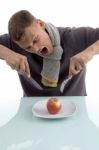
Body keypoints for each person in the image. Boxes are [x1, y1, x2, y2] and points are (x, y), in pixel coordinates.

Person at [0, 10, 99, 96]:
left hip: (76, 106)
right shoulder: (15, 44)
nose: (35, 49)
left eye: (35, 40)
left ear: (41, 24)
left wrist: (91, 51)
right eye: (28, 47)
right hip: (32, 109)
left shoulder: (73, 37)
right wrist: (7, 54)